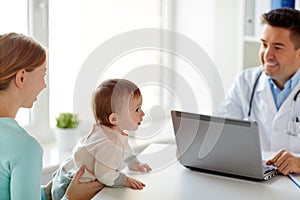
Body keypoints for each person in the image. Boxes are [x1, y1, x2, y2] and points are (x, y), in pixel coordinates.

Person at [0, 32, 104, 200]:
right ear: (21, 77)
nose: (44, 84)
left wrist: (48, 192)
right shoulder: (25, 147)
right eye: (43, 74)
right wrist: (71, 198)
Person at [215, 8, 300, 175]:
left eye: (278, 47)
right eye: (264, 44)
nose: (267, 54)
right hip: (256, 184)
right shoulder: (246, 82)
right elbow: (219, 131)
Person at [51, 79, 152, 200]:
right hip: (69, 186)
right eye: (137, 109)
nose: (143, 113)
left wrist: (133, 162)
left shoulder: (107, 130)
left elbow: (125, 148)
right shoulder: (110, 142)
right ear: (114, 118)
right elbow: (104, 175)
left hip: (65, 174)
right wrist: (125, 180)